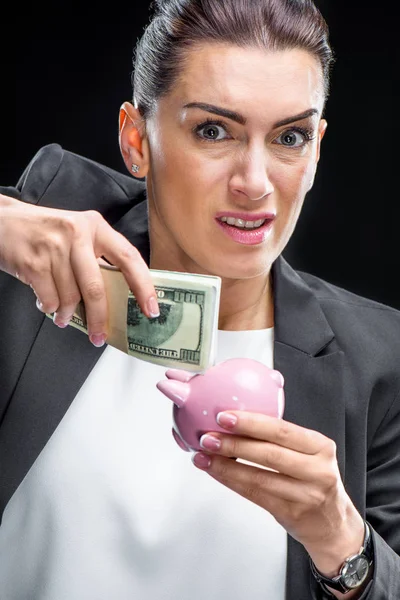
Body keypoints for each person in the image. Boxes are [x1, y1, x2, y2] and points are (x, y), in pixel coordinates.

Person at [0, 0, 399, 598]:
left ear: (315, 149)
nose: (255, 182)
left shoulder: (381, 361)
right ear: (136, 140)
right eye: (214, 130)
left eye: (289, 137)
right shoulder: (25, 276)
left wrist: (345, 545)